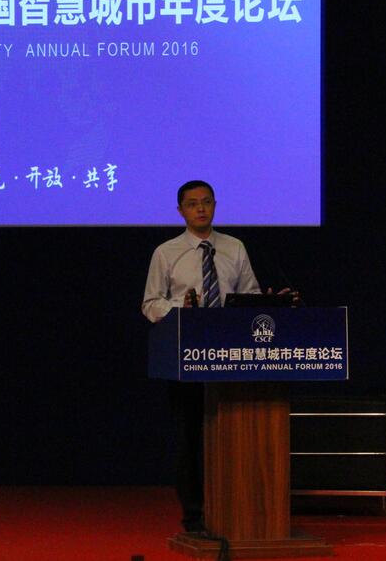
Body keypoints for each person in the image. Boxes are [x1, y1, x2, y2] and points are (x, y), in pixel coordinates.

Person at [141, 180, 264, 533]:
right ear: (180, 210)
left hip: (230, 358)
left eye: (207, 202)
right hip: (187, 359)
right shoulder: (166, 252)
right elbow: (150, 304)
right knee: (190, 438)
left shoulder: (234, 247)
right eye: (193, 203)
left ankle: (235, 509)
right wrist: (181, 309)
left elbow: (250, 295)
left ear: (215, 206)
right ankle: (194, 515)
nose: (201, 208)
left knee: (234, 435)